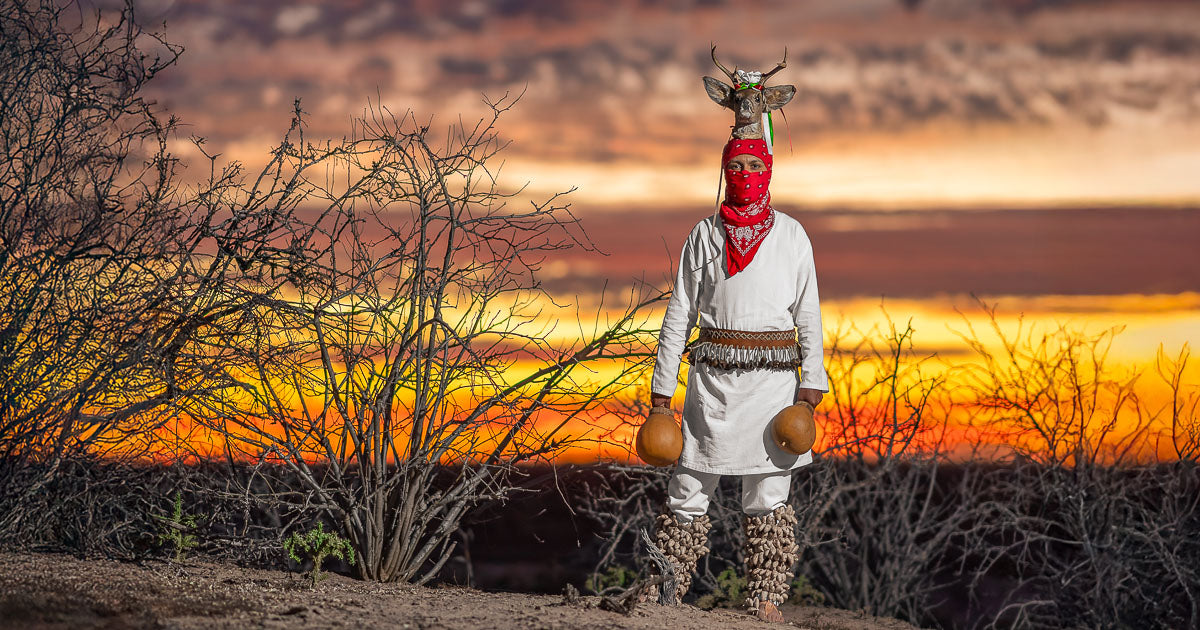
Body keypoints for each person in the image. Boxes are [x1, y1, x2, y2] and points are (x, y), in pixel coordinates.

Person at [644, 135, 828, 622]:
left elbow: (808, 313)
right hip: (711, 385)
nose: (745, 174)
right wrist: (662, 392)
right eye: (737, 165)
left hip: (773, 387)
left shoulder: (792, 235)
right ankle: (666, 591)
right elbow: (679, 313)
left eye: (754, 165)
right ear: (725, 171)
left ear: (768, 171)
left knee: (768, 493)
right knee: (688, 484)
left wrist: (810, 385)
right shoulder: (704, 235)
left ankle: (765, 598)